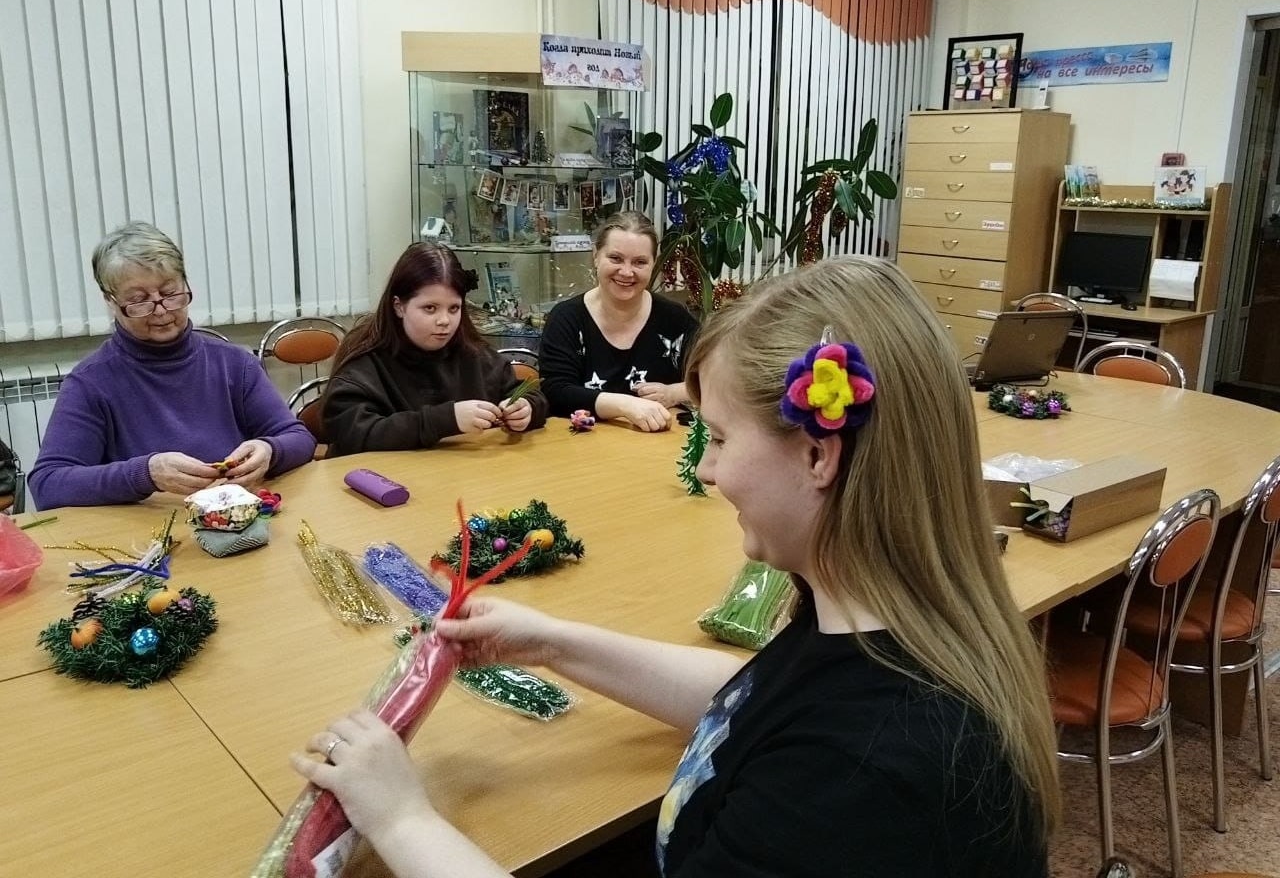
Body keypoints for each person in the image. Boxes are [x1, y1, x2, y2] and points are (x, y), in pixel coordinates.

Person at [293, 256, 1060, 876]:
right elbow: (754, 696)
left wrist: (401, 817)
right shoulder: (876, 621)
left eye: (718, 437)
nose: (709, 469)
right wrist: (551, 641)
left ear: (819, 454)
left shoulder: (860, 774)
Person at [29, 222, 316, 510]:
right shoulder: (91, 382)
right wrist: (146, 473)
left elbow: (299, 439)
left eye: (170, 293)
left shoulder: (234, 363)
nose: (161, 310)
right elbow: (48, 485)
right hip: (149, 528)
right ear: (110, 301)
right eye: (139, 300)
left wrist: (270, 450)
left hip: (233, 519)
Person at [321, 243, 548, 457]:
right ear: (399, 306)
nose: (444, 321)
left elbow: (526, 393)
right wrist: (446, 420)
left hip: (463, 475)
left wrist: (526, 408)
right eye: (430, 308)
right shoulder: (365, 363)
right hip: (385, 480)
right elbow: (352, 434)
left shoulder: (474, 354)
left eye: (454, 308)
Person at [538, 211, 699, 432]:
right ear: (596, 256)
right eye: (615, 258)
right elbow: (555, 392)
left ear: (654, 264)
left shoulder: (675, 318)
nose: (626, 272)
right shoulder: (566, 318)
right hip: (580, 445)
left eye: (640, 262)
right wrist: (625, 405)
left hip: (656, 444)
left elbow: (721, 377)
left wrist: (674, 393)